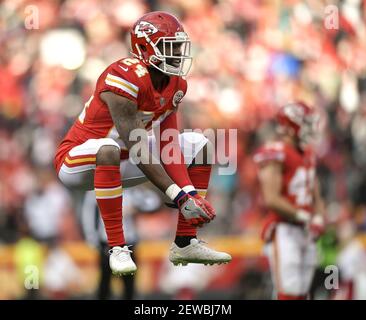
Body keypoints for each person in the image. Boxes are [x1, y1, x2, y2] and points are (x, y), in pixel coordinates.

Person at [54, 11, 231, 276]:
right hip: (78, 161)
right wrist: (179, 195)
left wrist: (190, 194)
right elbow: (137, 145)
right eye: (170, 47)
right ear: (145, 48)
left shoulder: (176, 84)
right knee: (109, 149)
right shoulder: (124, 76)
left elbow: (168, 146)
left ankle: (185, 242)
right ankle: (117, 248)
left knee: (199, 144)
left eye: (179, 47)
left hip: (124, 163)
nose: (177, 54)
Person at [253, 102, 326, 300]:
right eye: (306, 124)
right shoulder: (276, 152)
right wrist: (302, 215)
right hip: (284, 228)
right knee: (289, 292)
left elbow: (315, 193)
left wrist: (318, 218)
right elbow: (271, 199)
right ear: (291, 126)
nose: (311, 129)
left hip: (305, 229)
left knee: (303, 293)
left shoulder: (308, 154)